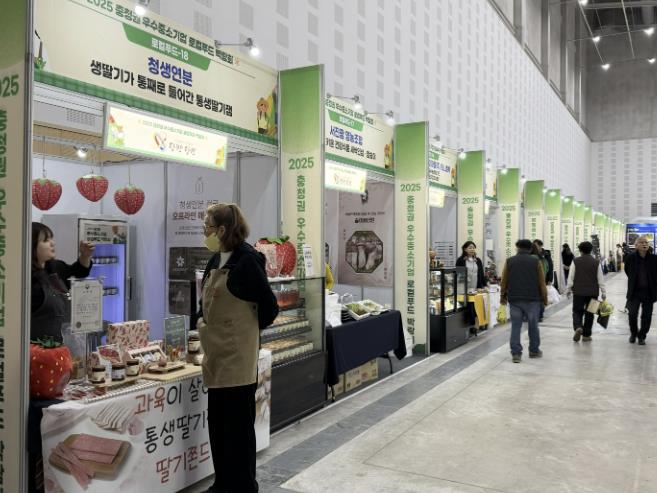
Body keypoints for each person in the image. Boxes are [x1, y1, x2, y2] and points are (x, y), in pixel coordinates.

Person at [196, 203, 278, 493]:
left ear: (222, 229)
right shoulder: (215, 259)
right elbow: (205, 301)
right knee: (218, 426)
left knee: (239, 430)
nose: (204, 231)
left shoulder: (247, 260)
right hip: (215, 355)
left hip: (238, 358)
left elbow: (269, 307)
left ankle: (243, 486)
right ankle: (222, 483)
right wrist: (201, 321)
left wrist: (243, 333)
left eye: (207, 226)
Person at [31, 222, 94, 342]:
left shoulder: (56, 267)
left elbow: (79, 272)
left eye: (51, 238)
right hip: (38, 346)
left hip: (63, 342)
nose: (52, 243)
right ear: (32, 246)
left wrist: (85, 256)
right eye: (46, 240)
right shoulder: (26, 279)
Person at [500, 239, 548, 363]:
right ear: (530, 249)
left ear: (517, 248)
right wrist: (544, 298)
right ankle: (534, 351)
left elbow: (504, 280)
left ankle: (516, 354)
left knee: (516, 326)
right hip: (532, 299)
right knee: (533, 326)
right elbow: (541, 282)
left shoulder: (510, 261)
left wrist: (503, 296)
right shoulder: (536, 261)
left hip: (515, 299)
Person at [566, 241, 606, 342]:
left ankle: (578, 327)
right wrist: (603, 292)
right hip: (593, 292)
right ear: (591, 250)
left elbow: (571, 277)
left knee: (577, 311)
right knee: (590, 313)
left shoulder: (575, 261)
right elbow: (600, 279)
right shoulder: (596, 262)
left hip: (578, 291)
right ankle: (586, 335)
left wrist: (568, 289)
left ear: (580, 250)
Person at [624, 236, 657, 345]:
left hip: (649, 292)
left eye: (646, 242)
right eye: (642, 242)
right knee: (632, 314)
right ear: (636, 245)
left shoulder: (654, 258)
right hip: (635, 291)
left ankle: (642, 336)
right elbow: (627, 271)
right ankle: (634, 333)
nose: (644, 244)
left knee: (647, 316)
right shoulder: (630, 258)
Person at [455, 241, 487, 334]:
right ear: (465, 249)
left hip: (475, 287)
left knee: (476, 306)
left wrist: (483, 285)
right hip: (464, 288)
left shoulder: (478, 260)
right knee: (469, 307)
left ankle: (476, 325)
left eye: (473, 247)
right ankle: (469, 325)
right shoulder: (461, 260)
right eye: (470, 247)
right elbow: (458, 275)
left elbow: (481, 274)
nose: (472, 249)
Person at [533, 239, 554, 321]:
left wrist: (550, 279)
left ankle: (540, 315)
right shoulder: (531, 253)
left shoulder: (546, 254)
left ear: (540, 246)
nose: (534, 247)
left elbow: (550, 267)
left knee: (541, 297)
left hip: (543, 279)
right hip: (533, 280)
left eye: (536, 245)